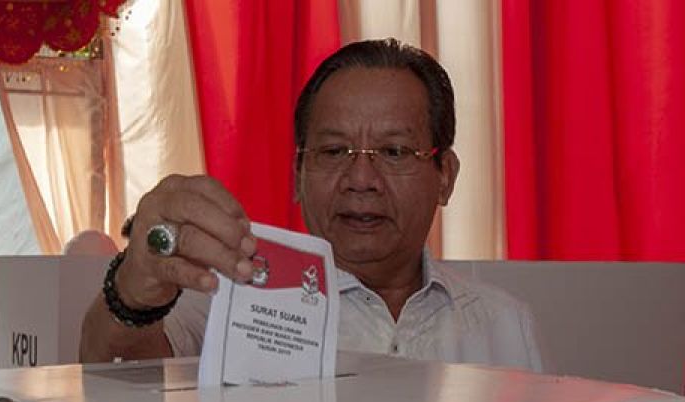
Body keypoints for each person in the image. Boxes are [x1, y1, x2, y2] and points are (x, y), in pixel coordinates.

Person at [79, 39, 545, 372]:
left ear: (446, 177)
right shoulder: (228, 296)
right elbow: (110, 372)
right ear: (297, 175)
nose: (361, 180)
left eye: (394, 152)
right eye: (333, 151)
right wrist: (134, 293)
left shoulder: (503, 324)